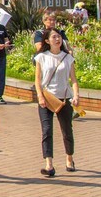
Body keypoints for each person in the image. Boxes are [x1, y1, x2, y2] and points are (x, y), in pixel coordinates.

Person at [34, 28, 80, 177]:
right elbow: (38, 80)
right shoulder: (41, 57)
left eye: (59, 36)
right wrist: (40, 97)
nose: (57, 39)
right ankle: (49, 165)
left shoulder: (67, 58)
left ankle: (69, 159)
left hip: (64, 98)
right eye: (54, 37)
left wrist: (76, 95)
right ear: (47, 41)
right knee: (47, 131)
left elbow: (73, 79)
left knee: (67, 130)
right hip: (47, 98)